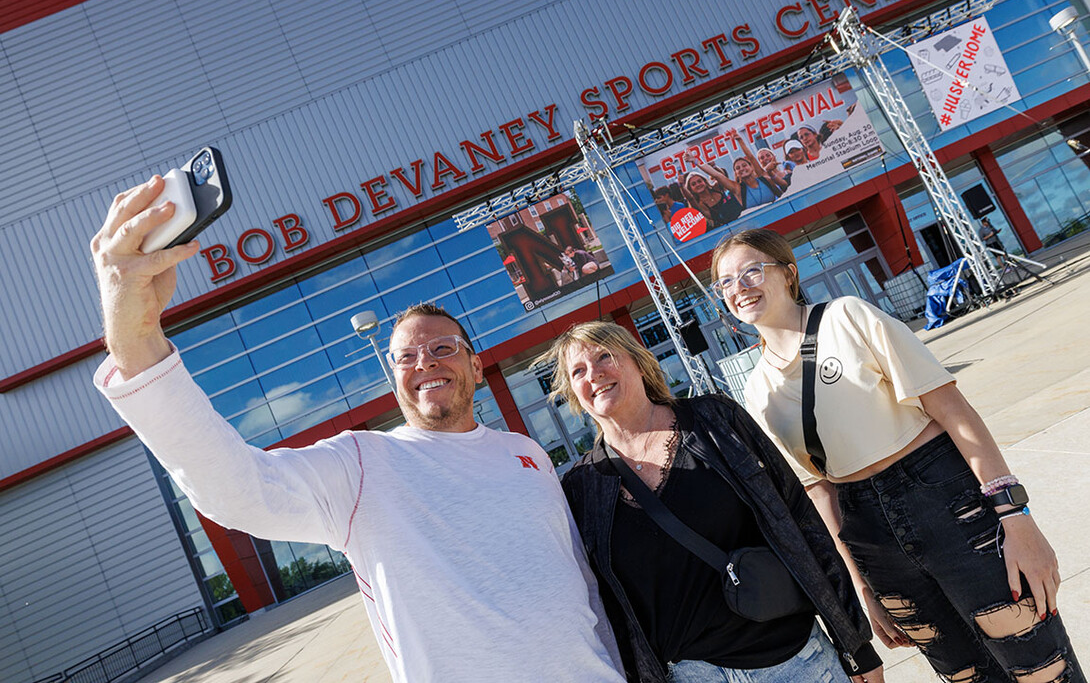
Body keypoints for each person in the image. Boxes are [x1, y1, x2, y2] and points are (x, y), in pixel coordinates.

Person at [89, 175, 626, 683]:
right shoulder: (363, 463)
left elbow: (579, 580)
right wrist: (133, 338)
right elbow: (240, 491)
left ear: (475, 365)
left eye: (443, 349)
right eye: (406, 357)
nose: (426, 363)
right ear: (394, 382)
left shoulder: (524, 452)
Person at [710, 228, 1084, 683]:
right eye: (725, 282)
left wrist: (1015, 514)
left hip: (946, 501)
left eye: (752, 271)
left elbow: (953, 410)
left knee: (1041, 668)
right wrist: (862, 587)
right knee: (967, 675)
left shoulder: (847, 317)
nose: (740, 287)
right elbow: (819, 491)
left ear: (788, 274)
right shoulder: (757, 390)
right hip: (869, 536)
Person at [539, 321, 885, 683]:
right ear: (573, 394)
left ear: (639, 362)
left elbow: (798, 518)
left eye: (605, 356)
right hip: (688, 675)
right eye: (578, 371)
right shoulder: (582, 487)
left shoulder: (716, 420)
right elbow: (603, 607)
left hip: (794, 661)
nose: (594, 374)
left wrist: (854, 642)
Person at [696, 130, 787, 210]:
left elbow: (751, 157)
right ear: (736, 173)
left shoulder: (764, 178)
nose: (742, 169)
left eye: (744, 165)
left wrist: (740, 140)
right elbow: (717, 175)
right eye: (738, 168)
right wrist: (696, 161)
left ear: (751, 167)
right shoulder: (737, 189)